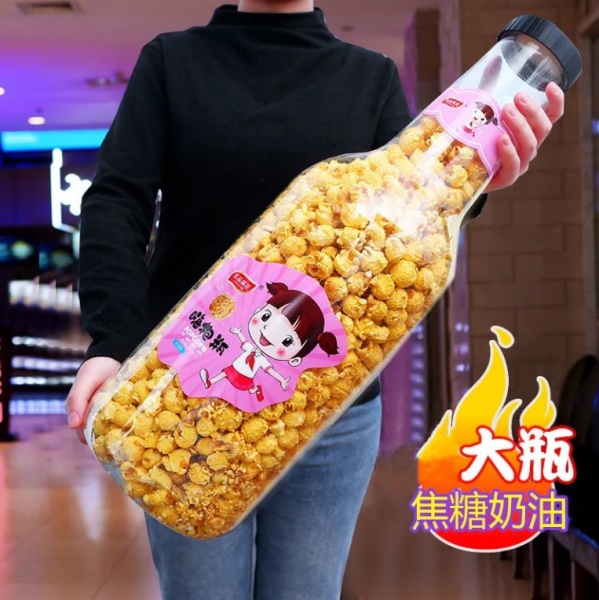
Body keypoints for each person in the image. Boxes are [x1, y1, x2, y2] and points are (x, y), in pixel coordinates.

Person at [66, 1, 565, 598]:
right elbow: (116, 200)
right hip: (185, 391)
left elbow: (417, 197)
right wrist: (113, 340)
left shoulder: (370, 76)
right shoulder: (172, 63)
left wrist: (480, 180)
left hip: (329, 414)